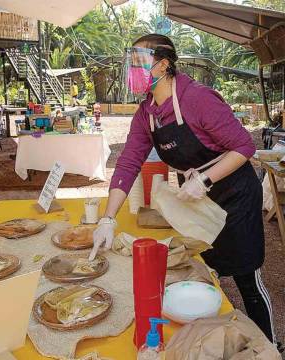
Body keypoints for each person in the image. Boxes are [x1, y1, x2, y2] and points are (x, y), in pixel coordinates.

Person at [89, 33, 279, 347]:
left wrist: (204, 180)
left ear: (163, 65)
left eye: (139, 63)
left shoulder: (197, 99)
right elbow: (128, 163)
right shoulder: (147, 113)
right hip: (197, 200)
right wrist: (107, 218)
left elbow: (245, 147)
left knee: (247, 277)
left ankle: (271, 346)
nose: (132, 72)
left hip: (235, 194)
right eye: (130, 64)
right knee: (205, 271)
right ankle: (212, 341)